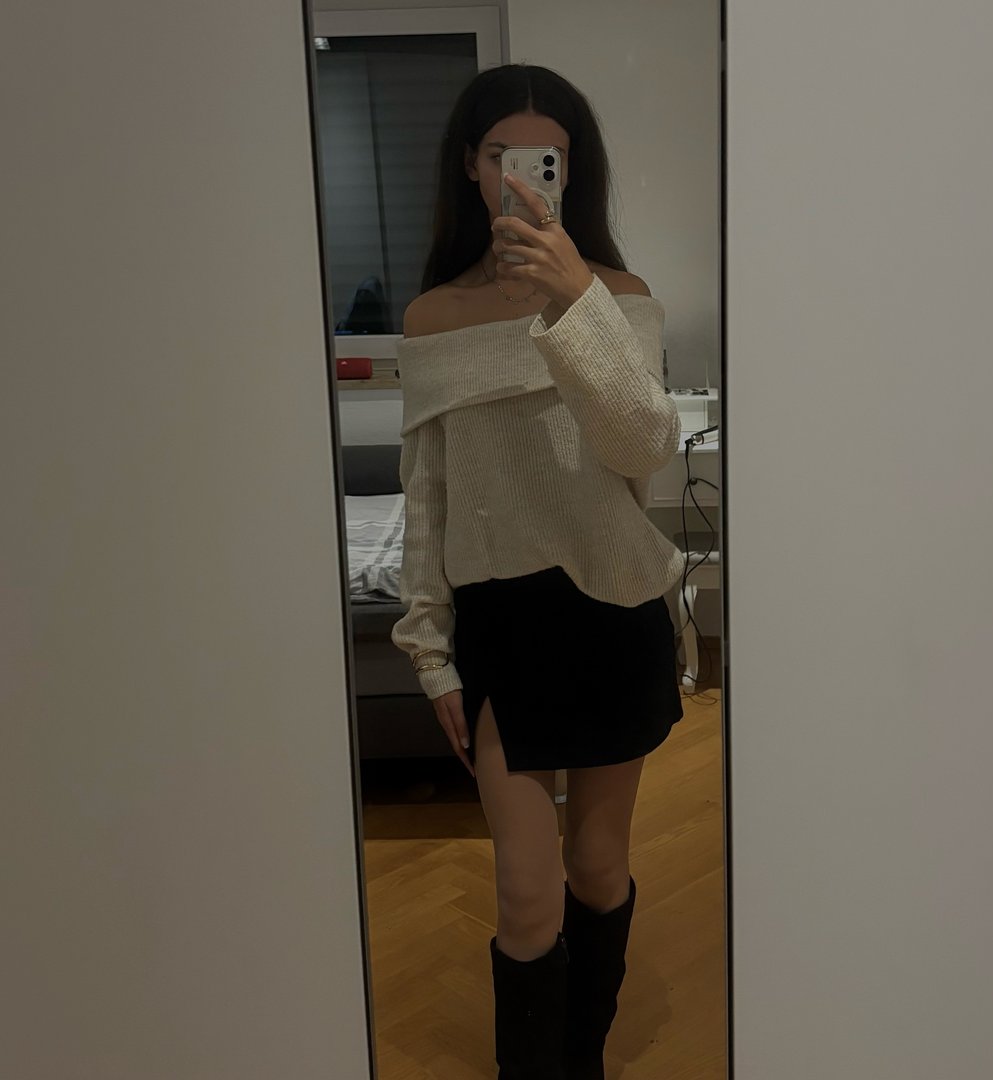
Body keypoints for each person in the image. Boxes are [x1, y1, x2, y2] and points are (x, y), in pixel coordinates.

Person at [391, 63, 686, 1079]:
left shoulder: (619, 299)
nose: (523, 175)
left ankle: (581, 1061)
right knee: (525, 893)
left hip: (613, 605)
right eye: (502, 155)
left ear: (572, 169)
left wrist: (573, 304)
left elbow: (643, 446)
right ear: (471, 168)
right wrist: (429, 650)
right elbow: (427, 495)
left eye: (546, 159)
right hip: (501, 624)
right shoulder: (430, 320)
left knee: (597, 866)